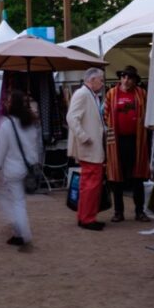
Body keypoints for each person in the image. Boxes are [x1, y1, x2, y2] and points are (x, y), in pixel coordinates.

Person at [0, 90, 40, 251]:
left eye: (9, 100)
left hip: (12, 169)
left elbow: (0, 149)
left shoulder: (7, 124)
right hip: (27, 167)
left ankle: (23, 234)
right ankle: (18, 233)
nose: (6, 103)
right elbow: (35, 145)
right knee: (18, 201)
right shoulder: (30, 122)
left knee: (17, 203)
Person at [104, 65, 151, 223]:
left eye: (129, 77)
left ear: (135, 80)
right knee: (117, 177)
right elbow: (105, 113)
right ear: (120, 78)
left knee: (138, 176)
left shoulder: (141, 94)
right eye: (124, 76)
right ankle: (118, 212)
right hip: (117, 140)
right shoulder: (111, 93)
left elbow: (148, 113)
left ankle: (140, 211)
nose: (126, 80)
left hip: (137, 140)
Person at [67, 67, 106, 231]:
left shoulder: (89, 95)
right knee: (91, 184)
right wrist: (83, 137)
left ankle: (85, 216)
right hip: (89, 147)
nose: (103, 83)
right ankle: (87, 218)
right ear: (92, 80)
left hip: (91, 146)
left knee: (88, 184)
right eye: (101, 80)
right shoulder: (83, 94)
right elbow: (71, 117)